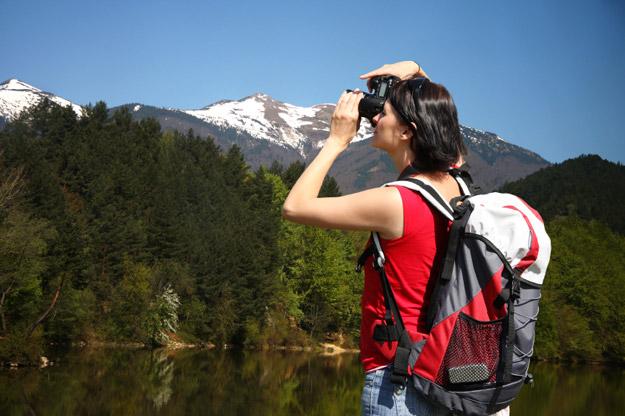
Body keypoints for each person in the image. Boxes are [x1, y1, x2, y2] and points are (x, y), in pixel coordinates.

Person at [282, 61, 508, 416]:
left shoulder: (396, 201)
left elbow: (294, 207)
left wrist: (336, 140)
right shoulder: (460, 187)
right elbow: (441, 118)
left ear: (407, 132)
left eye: (382, 113)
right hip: (449, 375)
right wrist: (417, 73)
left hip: (399, 384)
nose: (374, 119)